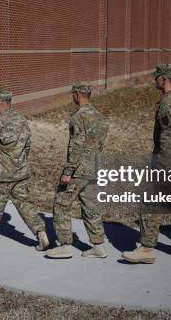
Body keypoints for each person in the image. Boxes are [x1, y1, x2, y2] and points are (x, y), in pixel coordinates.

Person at [121, 64, 171, 264]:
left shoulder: (167, 102)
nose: (154, 80)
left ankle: (147, 249)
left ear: (164, 79)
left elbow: (169, 135)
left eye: (156, 77)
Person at [0, 88, 49, 252]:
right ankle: (40, 232)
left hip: (1, 176)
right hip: (20, 173)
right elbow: (27, 145)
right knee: (25, 205)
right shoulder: (21, 119)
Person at [46, 83, 109, 259]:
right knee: (91, 207)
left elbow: (77, 145)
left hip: (79, 171)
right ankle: (99, 246)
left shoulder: (78, 117)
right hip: (95, 167)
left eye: (72, 94)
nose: (72, 97)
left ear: (77, 94)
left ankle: (65, 245)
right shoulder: (100, 116)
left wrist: (68, 171)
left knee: (61, 204)